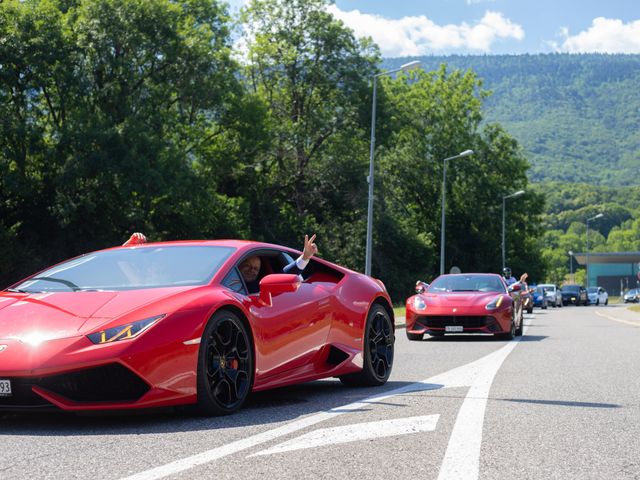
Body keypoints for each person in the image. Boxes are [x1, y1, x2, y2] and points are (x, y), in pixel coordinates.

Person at [122, 232, 319, 294]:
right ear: (237, 267)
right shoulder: (192, 280)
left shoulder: (257, 286)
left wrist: (305, 257)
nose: (252, 271)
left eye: (256, 269)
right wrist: (127, 253)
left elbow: (287, 274)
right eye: (248, 266)